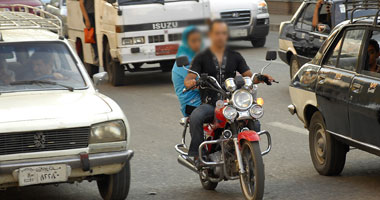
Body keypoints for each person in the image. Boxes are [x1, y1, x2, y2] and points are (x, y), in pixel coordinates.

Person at [184, 20, 273, 159]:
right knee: (196, 116)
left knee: (254, 120)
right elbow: (189, 78)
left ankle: (251, 153)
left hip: (232, 103)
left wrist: (261, 77)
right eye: (217, 33)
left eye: (223, 33)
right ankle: (198, 154)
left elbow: (248, 77)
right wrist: (192, 82)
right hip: (211, 104)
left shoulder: (235, 56)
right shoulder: (201, 57)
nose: (220, 36)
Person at [172, 26, 202, 117]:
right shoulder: (185, 60)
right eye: (193, 41)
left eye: (199, 40)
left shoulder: (199, 57)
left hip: (205, 98)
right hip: (193, 103)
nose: (197, 44)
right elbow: (202, 84)